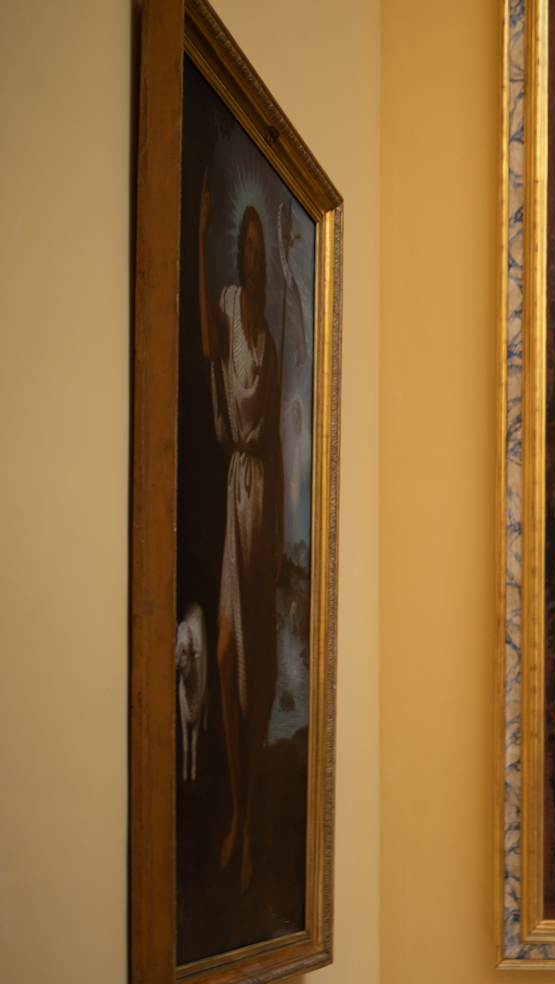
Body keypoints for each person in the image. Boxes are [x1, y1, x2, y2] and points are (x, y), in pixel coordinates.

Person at [198, 179, 286, 891]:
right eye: (246, 246)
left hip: (263, 497)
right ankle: (236, 812)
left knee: (254, 662)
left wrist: (280, 535)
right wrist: (198, 236)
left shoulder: (271, 340)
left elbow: (278, 446)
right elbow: (205, 343)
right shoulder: (228, 306)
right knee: (227, 653)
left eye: (259, 248)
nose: (252, 256)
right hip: (235, 486)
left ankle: (249, 820)